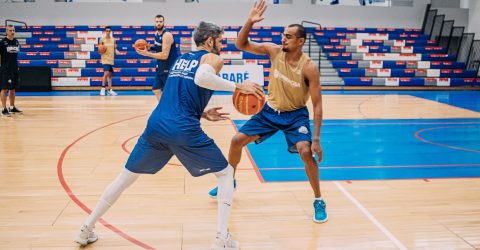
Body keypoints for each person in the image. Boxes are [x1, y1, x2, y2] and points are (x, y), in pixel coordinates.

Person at [74, 21, 263, 249]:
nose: (222, 45)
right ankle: (222, 239)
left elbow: (178, 95)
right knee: (225, 174)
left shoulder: (182, 59)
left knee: (124, 178)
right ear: (210, 40)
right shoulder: (213, 58)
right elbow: (202, 78)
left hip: (156, 125)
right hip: (182, 129)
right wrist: (238, 86)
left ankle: (86, 228)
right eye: (220, 40)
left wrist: (202, 113)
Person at [208, 0, 328, 223]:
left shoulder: (309, 66)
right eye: (283, 35)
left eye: (289, 36)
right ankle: (229, 182)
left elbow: (318, 105)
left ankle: (318, 199)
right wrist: (250, 21)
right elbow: (241, 45)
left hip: (295, 116)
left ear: (300, 41)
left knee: (305, 152)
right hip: (270, 112)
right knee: (236, 141)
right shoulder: (274, 51)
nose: (283, 38)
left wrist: (317, 139)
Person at [135, 14, 179, 101]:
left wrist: (146, 53)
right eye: (157, 22)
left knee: (170, 92)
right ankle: (164, 109)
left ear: (163, 23)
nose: (158, 23)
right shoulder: (156, 34)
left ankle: (172, 110)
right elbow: (159, 48)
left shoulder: (167, 35)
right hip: (161, 66)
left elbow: (164, 55)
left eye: (160, 21)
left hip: (169, 66)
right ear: (154, 23)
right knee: (156, 89)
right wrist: (149, 48)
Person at [0, 25, 22, 117]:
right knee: (4, 89)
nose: (12, 32)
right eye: (10, 30)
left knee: (13, 89)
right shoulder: (2, 42)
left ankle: (12, 107)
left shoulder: (16, 41)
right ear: (6, 32)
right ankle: (3, 109)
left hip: (14, 69)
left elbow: (14, 56)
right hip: (5, 69)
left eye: (13, 30)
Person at [99, 26, 120, 96]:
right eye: (106, 31)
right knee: (106, 73)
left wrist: (116, 50)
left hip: (111, 59)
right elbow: (99, 50)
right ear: (105, 32)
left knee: (110, 76)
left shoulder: (113, 40)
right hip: (105, 59)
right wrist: (101, 50)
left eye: (109, 31)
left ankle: (110, 90)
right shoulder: (102, 40)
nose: (108, 32)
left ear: (110, 32)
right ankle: (102, 89)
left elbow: (115, 48)